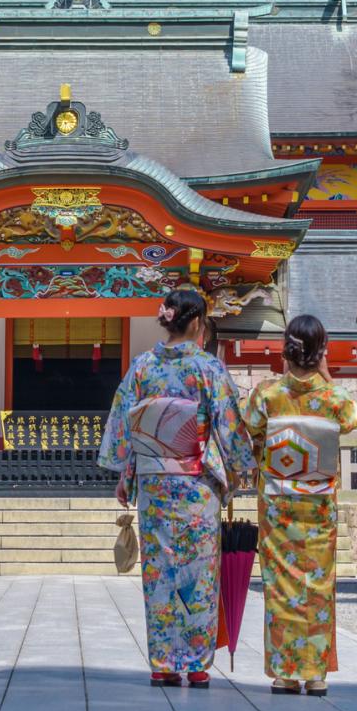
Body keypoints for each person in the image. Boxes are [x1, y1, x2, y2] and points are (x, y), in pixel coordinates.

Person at [97, 289, 255, 688]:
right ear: (199, 321)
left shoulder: (142, 368)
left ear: (168, 320)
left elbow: (126, 424)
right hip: (196, 483)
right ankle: (197, 664)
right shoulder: (209, 369)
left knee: (160, 571)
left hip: (154, 483)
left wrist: (126, 473)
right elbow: (229, 426)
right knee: (199, 572)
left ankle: (163, 663)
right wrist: (242, 468)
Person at [241, 314, 357, 697]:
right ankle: (316, 674)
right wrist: (325, 376)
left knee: (280, 585)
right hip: (319, 505)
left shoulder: (267, 394)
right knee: (318, 586)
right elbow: (354, 419)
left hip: (278, 504)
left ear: (286, 352)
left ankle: (284, 673)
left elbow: (252, 426)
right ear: (321, 352)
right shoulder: (334, 398)